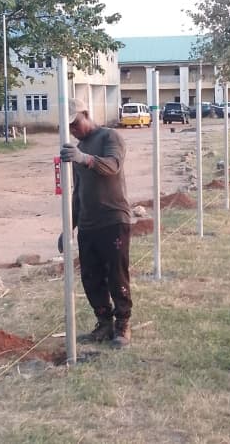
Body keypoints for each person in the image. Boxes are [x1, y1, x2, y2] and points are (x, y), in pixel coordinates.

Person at [59, 98, 132, 348]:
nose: (73, 129)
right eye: (69, 127)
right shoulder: (77, 148)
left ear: (86, 113)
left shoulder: (110, 137)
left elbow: (113, 166)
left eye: (75, 123)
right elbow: (78, 191)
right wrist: (69, 226)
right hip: (89, 225)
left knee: (117, 275)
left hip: (113, 219)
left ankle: (122, 325)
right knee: (91, 277)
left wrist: (85, 158)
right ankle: (104, 323)